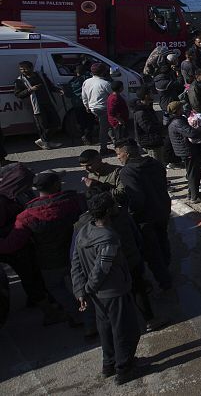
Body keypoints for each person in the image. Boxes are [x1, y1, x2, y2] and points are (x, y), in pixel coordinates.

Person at [70, 191, 141, 384]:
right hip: (114, 292)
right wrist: (89, 288)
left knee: (106, 330)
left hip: (98, 297)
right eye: (114, 206)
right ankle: (124, 368)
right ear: (108, 211)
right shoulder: (108, 238)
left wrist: (80, 290)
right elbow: (101, 269)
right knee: (125, 331)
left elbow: (75, 263)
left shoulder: (83, 232)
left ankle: (109, 364)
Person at [0, 171, 86, 327]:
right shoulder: (77, 201)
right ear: (56, 185)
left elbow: (11, 244)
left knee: (56, 288)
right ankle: (90, 314)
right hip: (78, 255)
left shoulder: (27, 215)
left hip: (49, 262)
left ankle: (76, 314)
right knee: (82, 284)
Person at [115, 140, 172, 291]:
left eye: (118, 153)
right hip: (163, 209)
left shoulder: (127, 171)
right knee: (163, 240)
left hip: (145, 217)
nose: (118, 157)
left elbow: (136, 198)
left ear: (126, 153)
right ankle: (167, 267)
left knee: (152, 251)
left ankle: (164, 281)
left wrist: (132, 214)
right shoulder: (154, 163)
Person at [15, 60, 62, 150]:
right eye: (21, 69)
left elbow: (49, 86)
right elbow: (18, 94)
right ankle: (46, 143)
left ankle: (43, 140)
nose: (23, 71)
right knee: (43, 126)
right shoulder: (19, 80)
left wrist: (58, 90)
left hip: (48, 102)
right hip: (36, 106)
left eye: (25, 69)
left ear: (31, 68)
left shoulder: (40, 75)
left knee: (56, 122)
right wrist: (30, 89)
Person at [166, 101, 201, 201]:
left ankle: (191, 193)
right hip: (187, 150)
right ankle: (194, 196)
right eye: (181, 107)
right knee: (193, 173)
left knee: (191, 172)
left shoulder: (176, 120)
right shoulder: (177, 122)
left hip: (185, 149)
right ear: (178, 110)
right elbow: (191, 133)